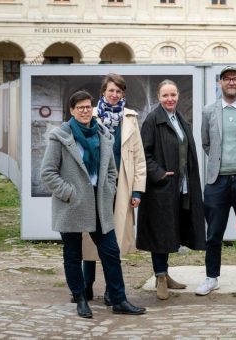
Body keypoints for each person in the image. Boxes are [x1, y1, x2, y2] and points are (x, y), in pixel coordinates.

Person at [40, 90, 146, 318]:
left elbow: (110, 170)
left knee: (110, 251)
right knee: (72, 254)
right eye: (80, 108)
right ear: (72, 111)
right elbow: (48, 173)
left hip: (99, 203)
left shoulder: (102, 134)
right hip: (71, 205)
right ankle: (80, 298)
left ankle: (119, 299)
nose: (85, 111)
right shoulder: (60, 136)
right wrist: (70, 193)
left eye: (88, 107)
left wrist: (108, 190)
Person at [80, 73, 147, 306]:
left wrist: (137, 190)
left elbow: (139, 157)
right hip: (95, 184)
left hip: (122, 184)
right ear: (103, 92)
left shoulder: (130, 118)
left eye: (119, 91)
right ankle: (86, 287)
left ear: (123, 94)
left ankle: (111, 291)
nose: (114, 95)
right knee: (90, 236)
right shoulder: (91, 116)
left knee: (114, 240)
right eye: (111, 91)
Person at [136, 79, 206, 300]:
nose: (170, 99)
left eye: (173, 95)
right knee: (160, 232)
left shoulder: (180, 119)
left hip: (181, 185)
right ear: (159, 97)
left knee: (171, 230)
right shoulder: (152, 120)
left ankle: (165, 273)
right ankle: (159, 277)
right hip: (161, 188)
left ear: (178, 96)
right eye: (165, 95)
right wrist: (159, 174)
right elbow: (143, 154)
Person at [196, 66, 236, 296]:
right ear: (220, 83)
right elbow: (206, 143)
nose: (231, 82)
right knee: (213, 233)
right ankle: (212, 277)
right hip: (216, 180)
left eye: (235, 78)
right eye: (227, 79)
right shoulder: (208, 111)